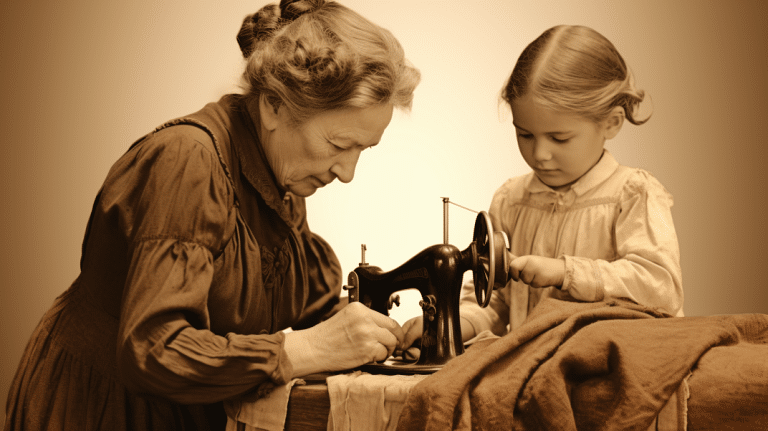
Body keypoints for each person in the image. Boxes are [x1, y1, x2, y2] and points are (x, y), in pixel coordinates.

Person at [4, 1, 420, 429]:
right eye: (337, 145)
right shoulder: (188, 163)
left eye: (362, 150)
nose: (347, 174)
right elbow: (154, 350)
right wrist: (305, 351)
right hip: (105, 412)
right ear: (274, 105)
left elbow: (300, 306)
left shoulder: (282, 179)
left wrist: (377, 333)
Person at [402, 24, 682, 353]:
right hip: (534, 372)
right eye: (525, 135)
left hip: (614, 372)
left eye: (559, 138)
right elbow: (491, 301)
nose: (539, 154)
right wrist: (451, 325)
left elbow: (661, 288)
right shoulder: (510, 201)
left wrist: (566, 272)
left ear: (612, 123)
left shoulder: (634, 194)